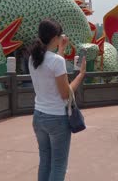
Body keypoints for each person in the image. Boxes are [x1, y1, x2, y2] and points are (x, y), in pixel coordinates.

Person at [29, 19, 86, 181]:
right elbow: (65, 94)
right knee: (59, 165)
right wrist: (81, 75)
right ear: (55, 37)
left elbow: (52, 66)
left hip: (39, 116)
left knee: (45, 162)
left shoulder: (33, 58)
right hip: (56, 119)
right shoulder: (56, 61)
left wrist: (61, 49)